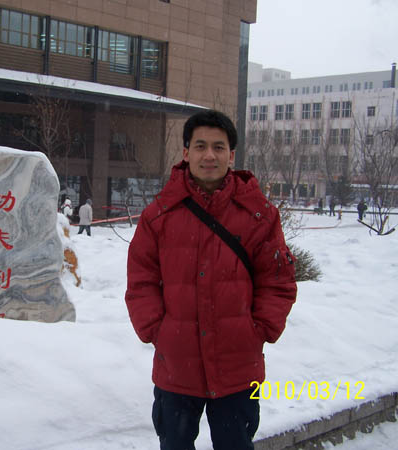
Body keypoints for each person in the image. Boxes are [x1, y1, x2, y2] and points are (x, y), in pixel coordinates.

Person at [125, 110, 297, 450]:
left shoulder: (259, 215)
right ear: (185, 152)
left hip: (238, 366)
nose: (209, 155)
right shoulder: (159, 215)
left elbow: (277, 281)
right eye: (200, 146)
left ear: (231, 156)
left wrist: (259, 329)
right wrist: (157, 330)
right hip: (176, 366)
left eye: (218, 147)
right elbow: (141, 280)